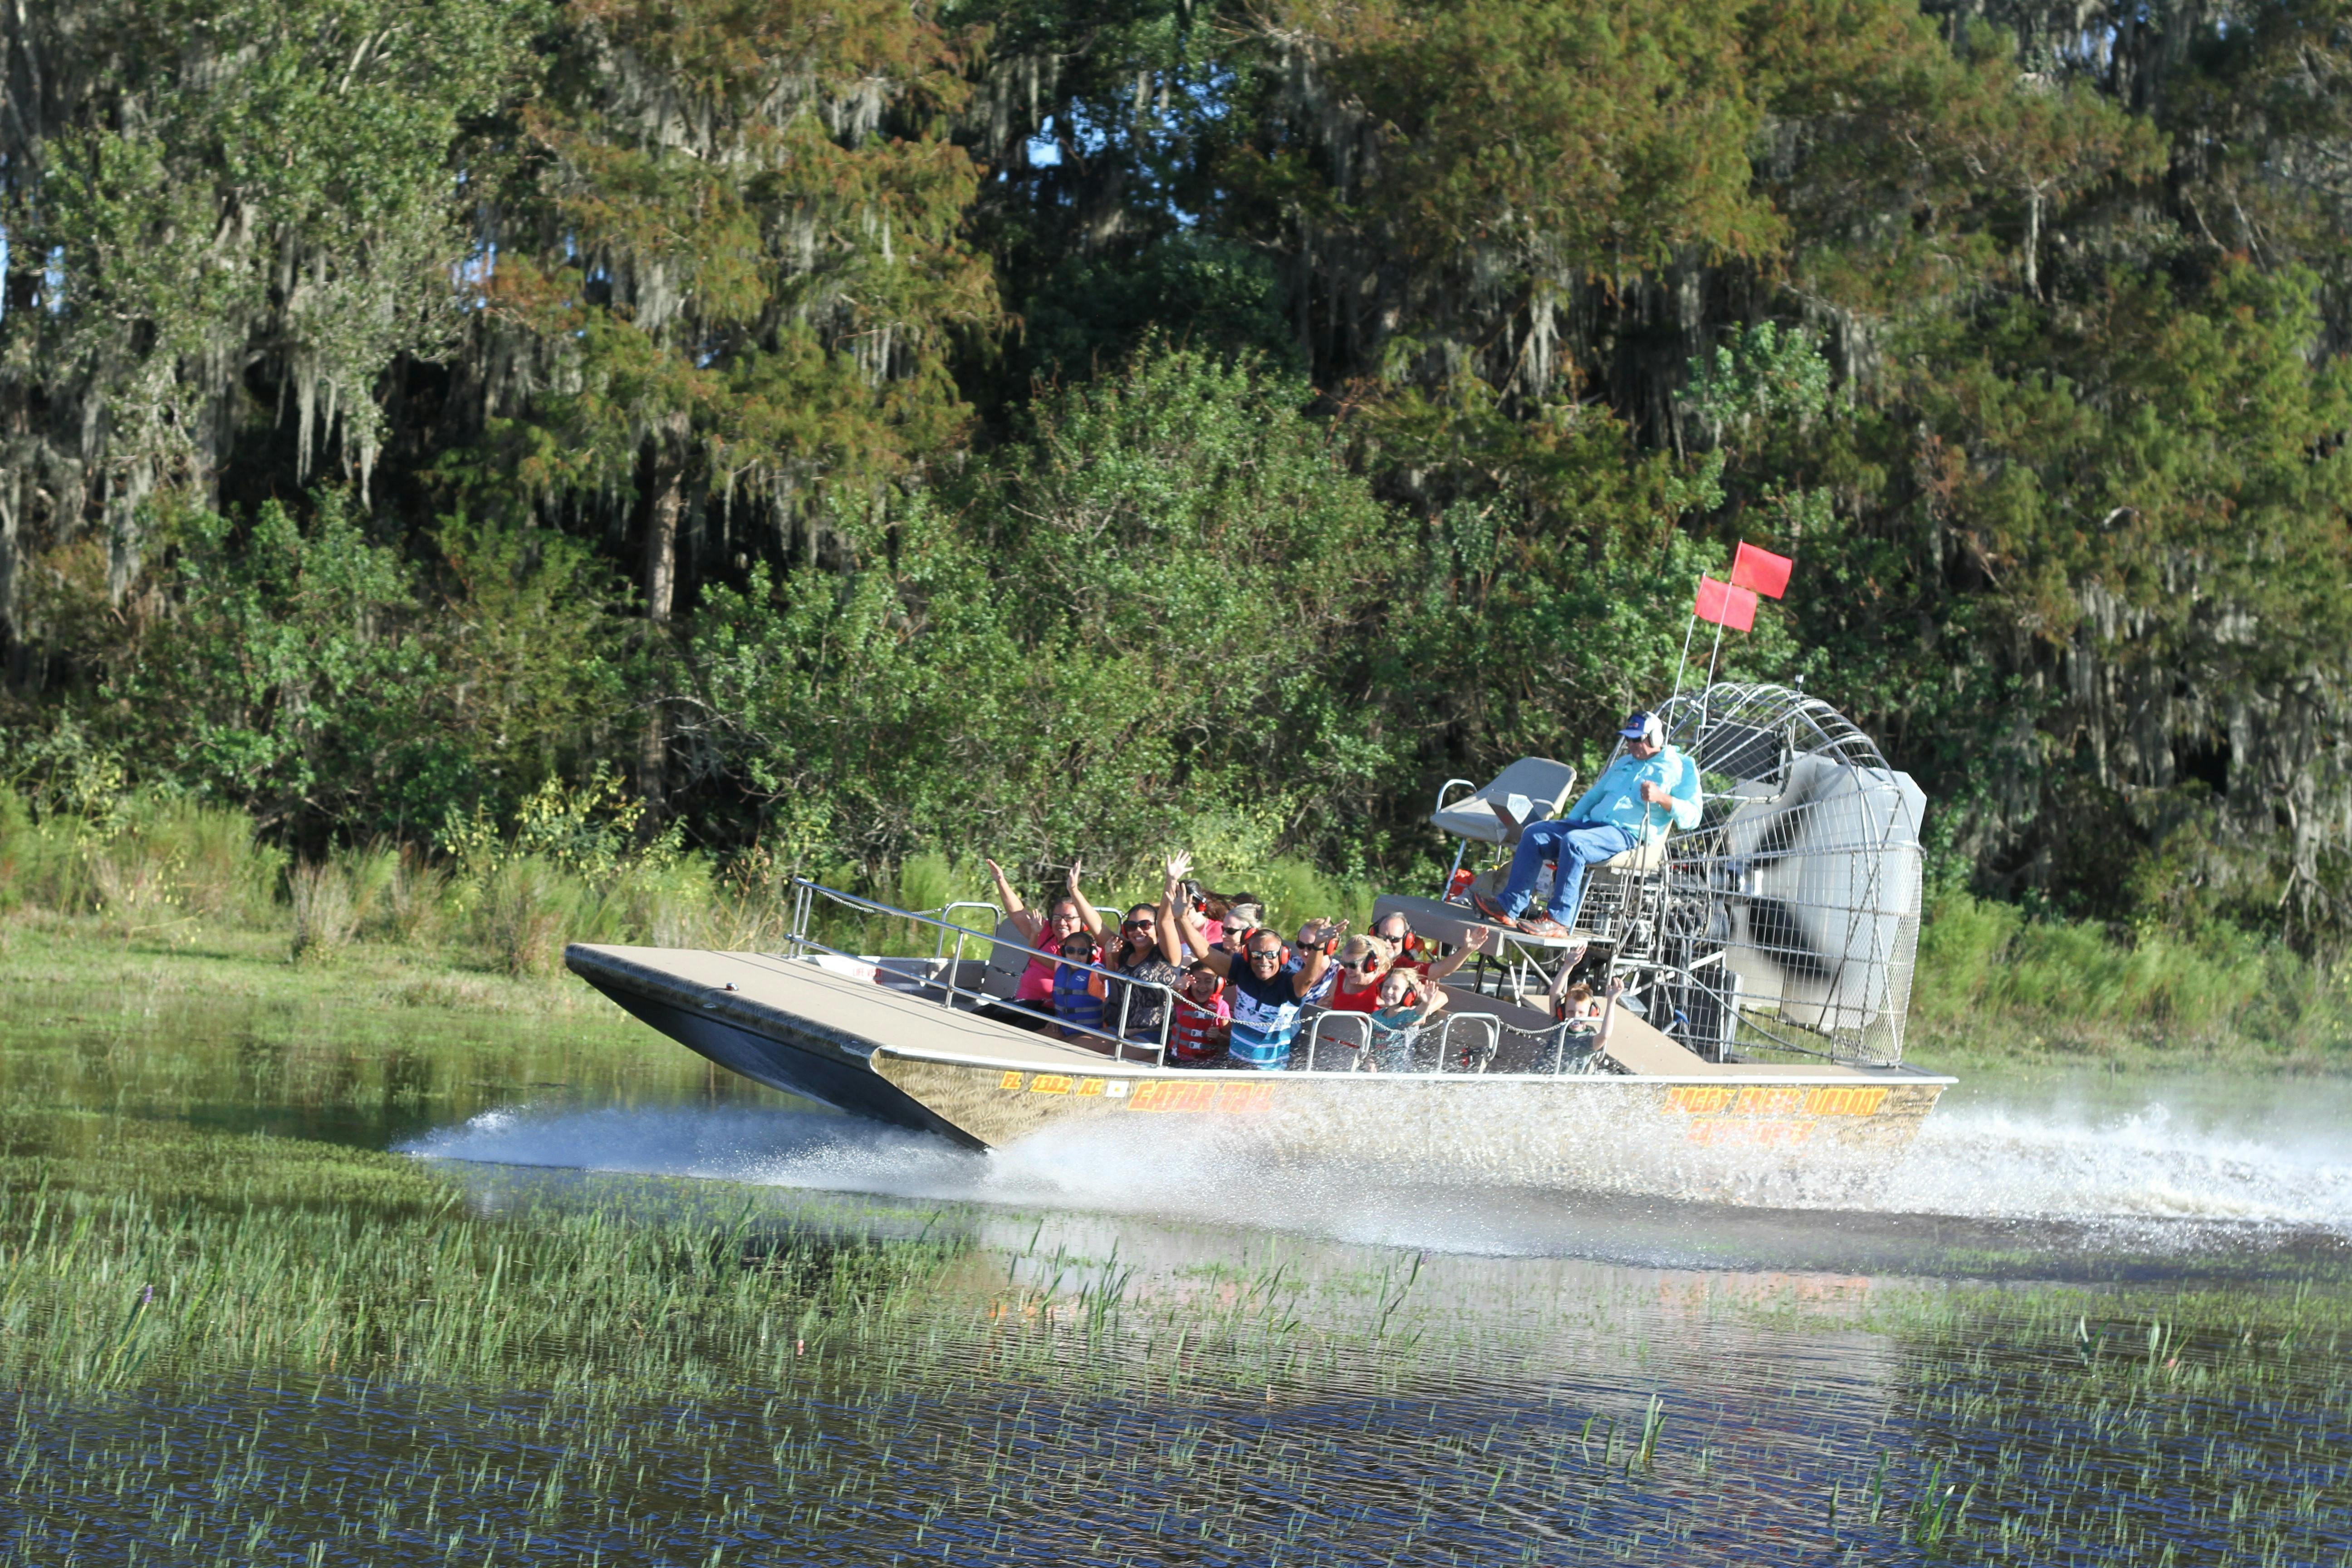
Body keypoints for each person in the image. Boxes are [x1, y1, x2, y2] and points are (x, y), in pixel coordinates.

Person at [1471, 710, 1700, 940]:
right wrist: (1568, 824)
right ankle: (1509, 907)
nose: (1630, 745)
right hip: (1592, 827)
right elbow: (1593, 797)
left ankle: (1558, 921)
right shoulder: (1625, 762)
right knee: (1535, 833)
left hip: (1627, 834)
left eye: (1636, 739)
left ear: (1654, 738)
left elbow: (1693, 818)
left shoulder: (1681, 768)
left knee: (1575, 843)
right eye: (1627, 739)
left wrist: (1662, 798)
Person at [1171, 854, 1338, 1070]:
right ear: (1248, 955)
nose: (1264, 961)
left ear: (1283, 956)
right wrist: (1182, 918)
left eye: (1270, 955)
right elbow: (1204, 952)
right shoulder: (1242, 969)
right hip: (1235, 1065)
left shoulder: (1288, 983)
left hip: (1268, 1073)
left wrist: (1318, 947)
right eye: (1257, 955)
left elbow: (1307, 979)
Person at [986, 857, 1104, 1025]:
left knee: (1021, 1026)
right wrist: (1001, 881)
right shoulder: (1045, 931)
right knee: (981, 1015)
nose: (1062, 923)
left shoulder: (1086, 951)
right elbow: (1018, 913)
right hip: (1023, 1004)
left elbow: (1065, 969)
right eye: (1057, 917)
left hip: (1051, 1012)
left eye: (1069, 918)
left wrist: (1073, 889)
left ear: (1082, 922)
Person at [1100, 872, 1189, 1043]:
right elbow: (1097, 926)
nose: (1138, 930)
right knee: (1076, 1047)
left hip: (1155, 1034)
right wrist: (1074, 890)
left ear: (1156, 928)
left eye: (1145, 925)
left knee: (1110, 1056)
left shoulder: (1168, 955)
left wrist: (1171, 880)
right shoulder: (1125, 951)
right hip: (1121, 1029)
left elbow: (1165, 921)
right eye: (1131, 926)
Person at [1323, 926, 1492, 1013]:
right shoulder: (1342, 976)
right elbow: (1327, 1005)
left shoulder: (1388, 982)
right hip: (1337, 1045)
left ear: (1371, 964)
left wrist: (1421, 1012)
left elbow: (1441, 996)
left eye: (1353, 965)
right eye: (1345, 964)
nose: (1348, 970)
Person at [1361, 968, 1450, 1072]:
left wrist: (1426, 1004)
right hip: (1376, 1072)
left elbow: (1418, 1014)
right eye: (1386, 987)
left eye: (1396, 988)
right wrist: (1370, 1060)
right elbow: (1369, 1045)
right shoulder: (1376, 1016)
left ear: (1408, 993)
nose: (1389, 991)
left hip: (1400, 1073)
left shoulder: (1407, 1016)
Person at [1167, 961, 1231, 1064]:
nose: (1203, 987)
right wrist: (1177, 988)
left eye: (1208, 981)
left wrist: (1219, 1036)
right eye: (1197, 981)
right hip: (1176, 1059)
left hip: (1206, 1065)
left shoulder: (1222, 1006)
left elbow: (1230, 1041)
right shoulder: (1182, 1001)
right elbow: (1175, 998)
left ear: (1217, 984)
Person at [1050, 929, 1109, 1041]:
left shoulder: (1096, 973)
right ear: (1064, 952)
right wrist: (1035, 934)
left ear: (1091, 954)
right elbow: (1033, 954)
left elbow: (1111, 973)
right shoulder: (1060, 967)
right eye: (1070, 951)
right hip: (1062, 1027)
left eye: (1082, 952)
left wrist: (1110, 954)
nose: (1076, 956)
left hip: (1088, 1032)